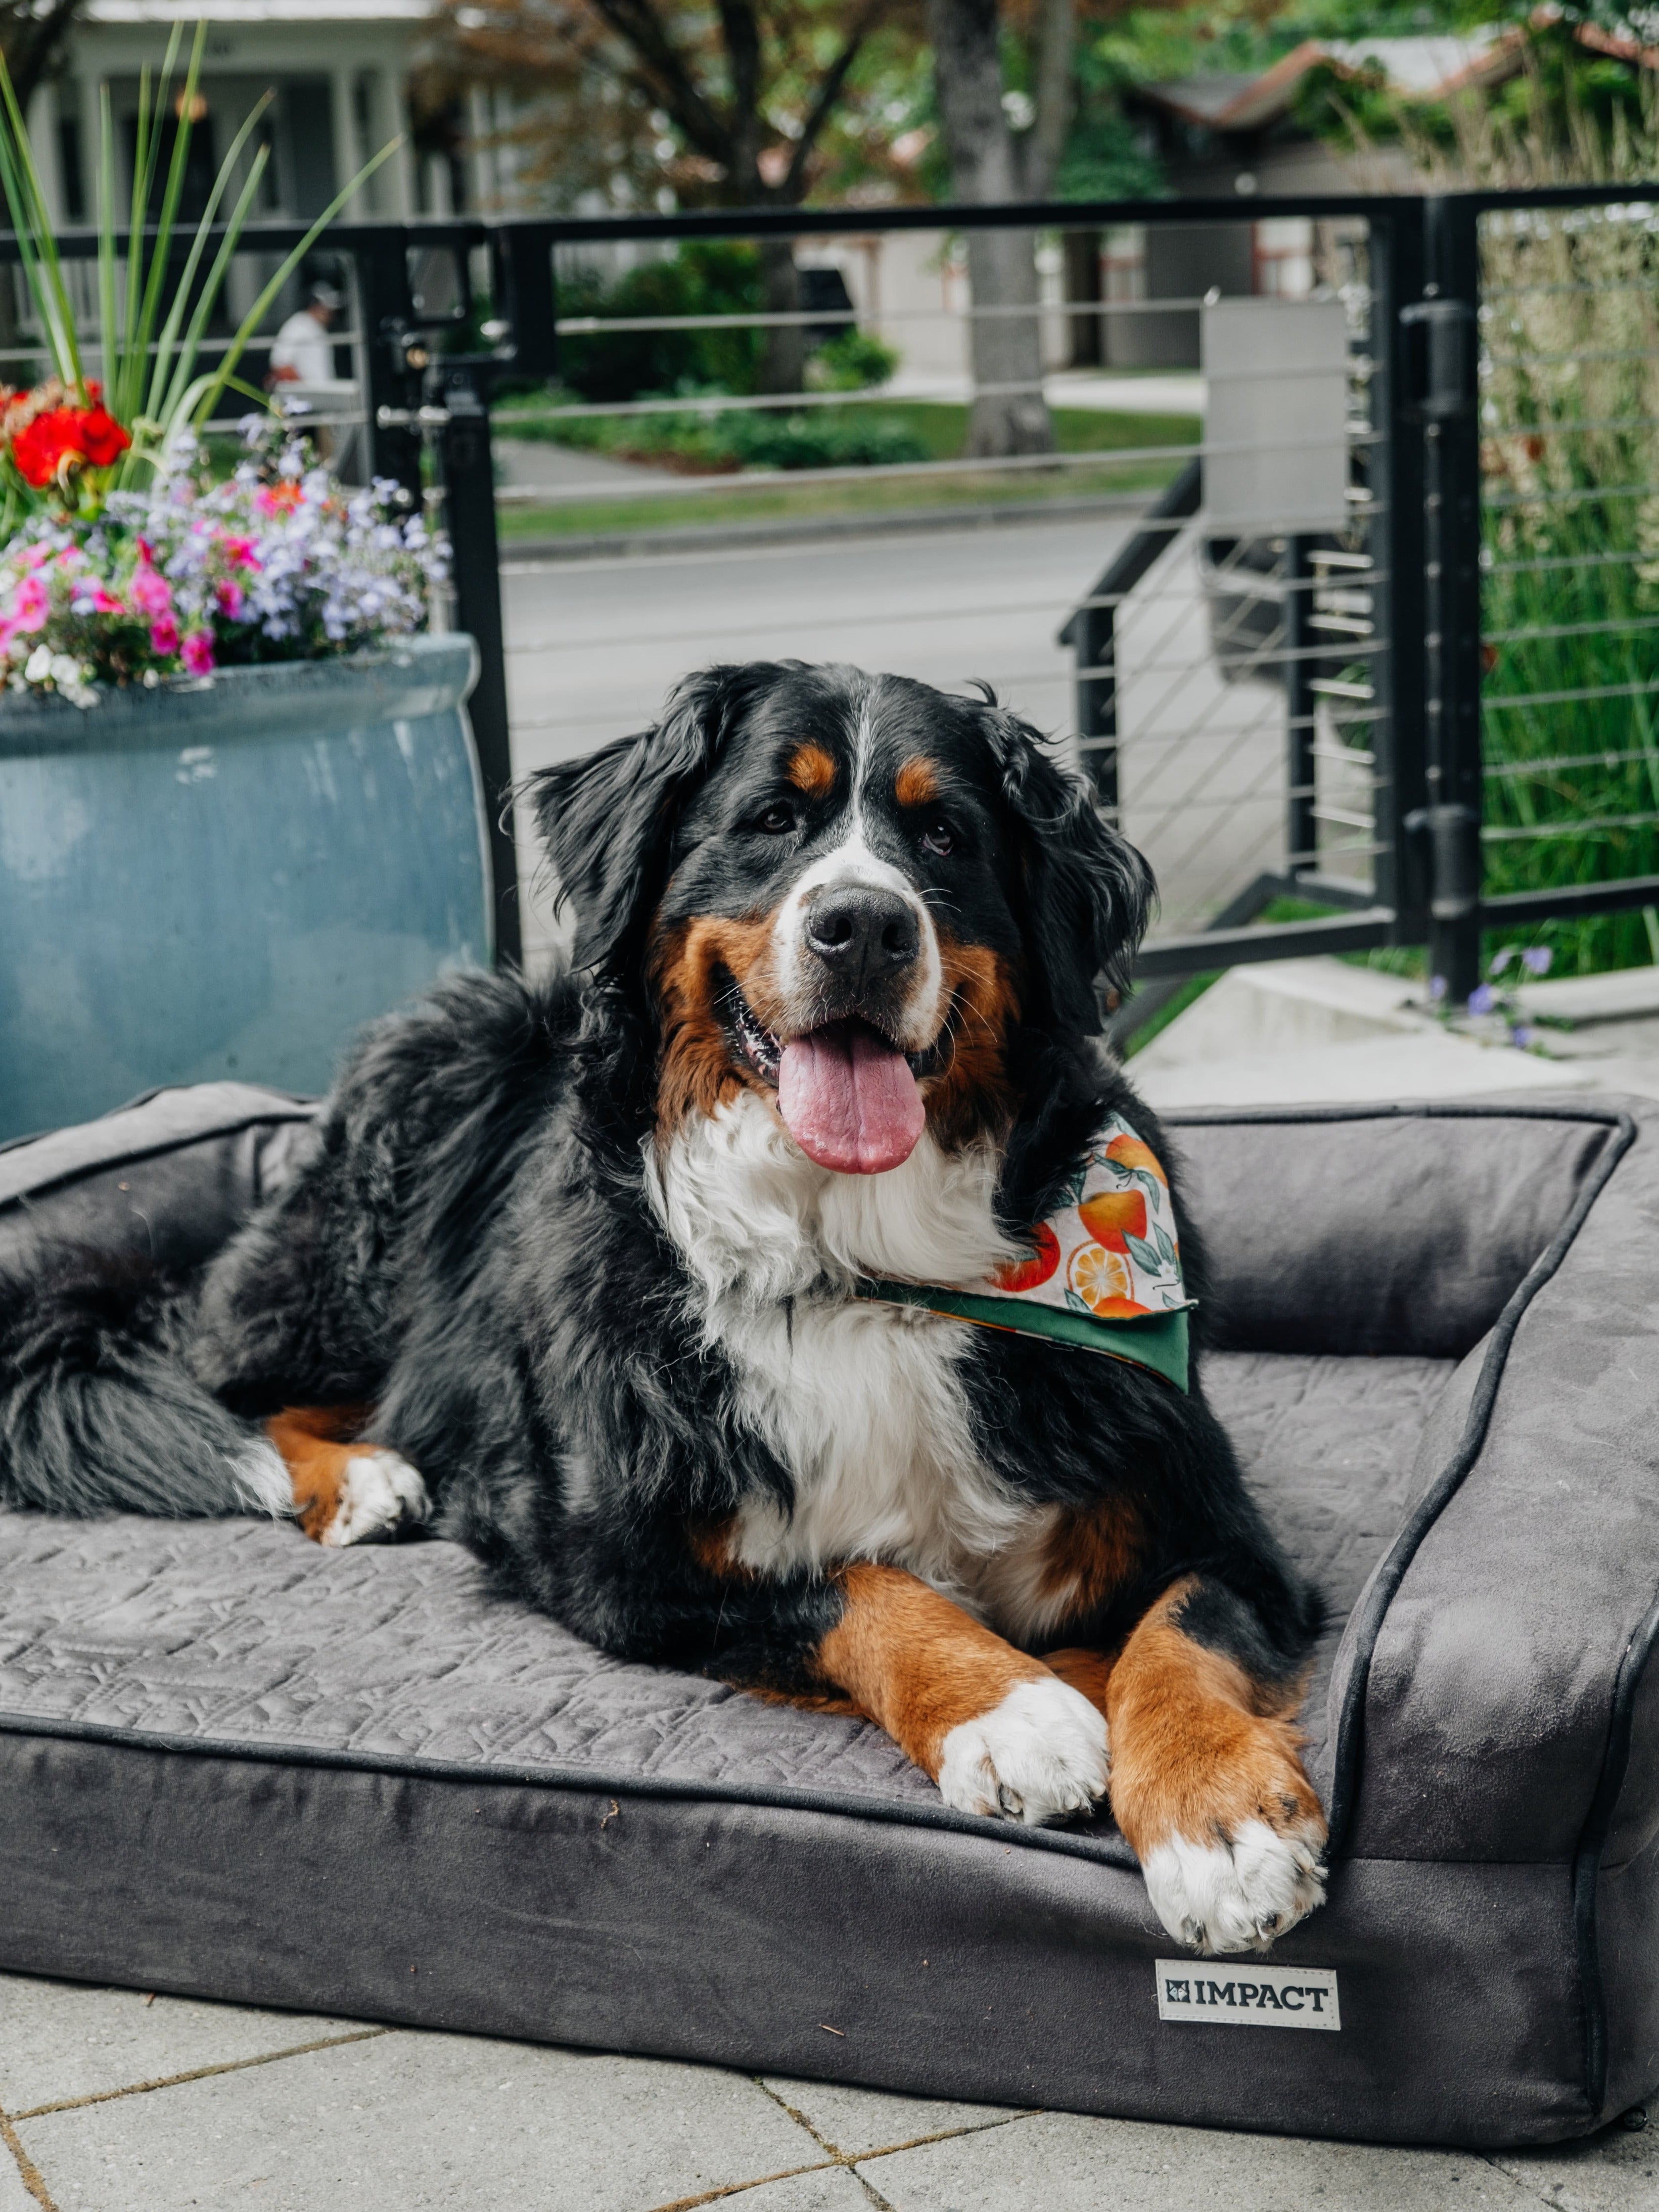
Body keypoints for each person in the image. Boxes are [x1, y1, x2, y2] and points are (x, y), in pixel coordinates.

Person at [267, 283, 343, 389]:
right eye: (325, 309)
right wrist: (304, 390)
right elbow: (281, 363)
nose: (330, 315)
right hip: (306, 399)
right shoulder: (298, 325)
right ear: (315, 305)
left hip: (324, 395)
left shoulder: (319, 329)